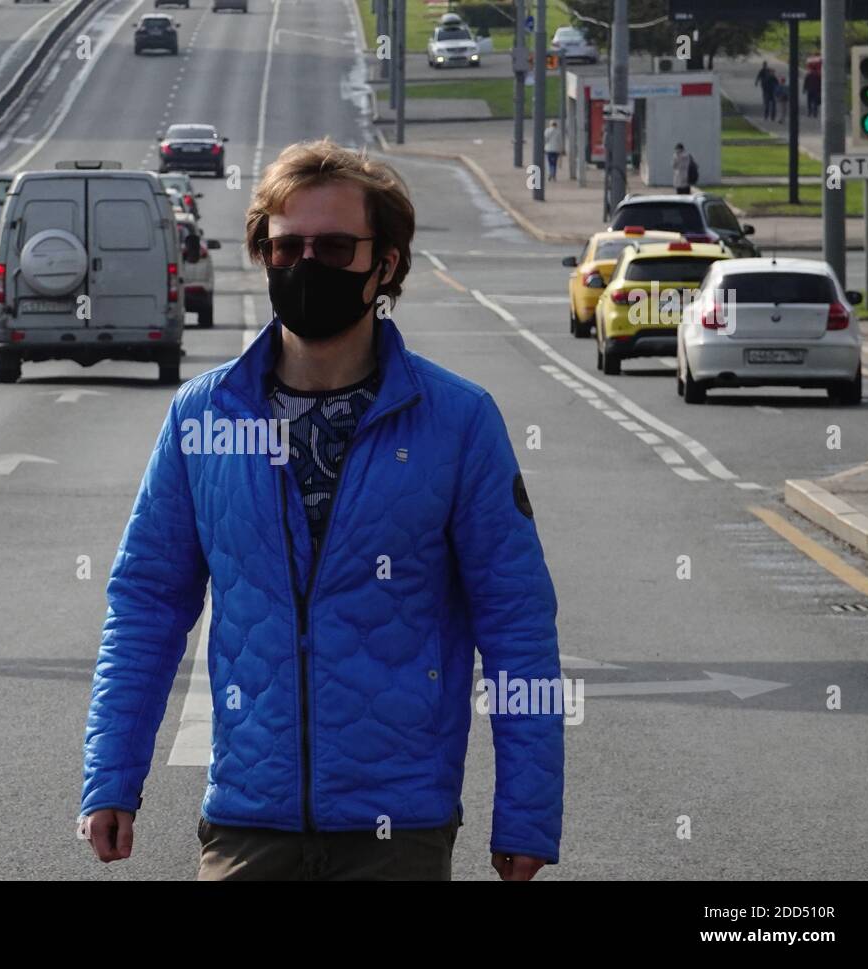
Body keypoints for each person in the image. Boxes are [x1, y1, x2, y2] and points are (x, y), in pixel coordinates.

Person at [80, 139, 564, 881]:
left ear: (387, 265)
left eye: (336, 248)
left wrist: (526, 811)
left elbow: (516, 624)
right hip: (247, 821)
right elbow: (146, 603)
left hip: (397, 830)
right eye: (287, 247)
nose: (306, 266)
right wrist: (112, 774)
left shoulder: (458, 422)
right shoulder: (203, 418)